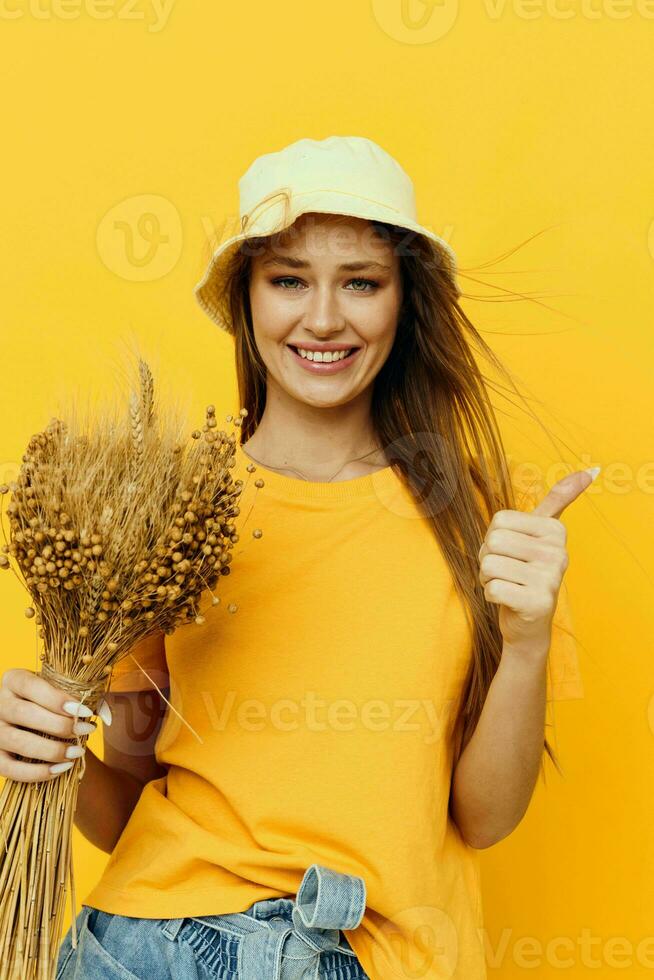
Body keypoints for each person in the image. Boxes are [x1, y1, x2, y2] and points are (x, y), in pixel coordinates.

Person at [0, 136, 587, 980]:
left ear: (403, 301)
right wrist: (43, 749)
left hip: (375, 952)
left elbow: (485, 816)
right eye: (287, 280)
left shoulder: (486, 523)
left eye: (360, 281)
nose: (322, 318)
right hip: (151, 947)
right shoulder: (169, 514)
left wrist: (526, 639)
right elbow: (123, 809)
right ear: (245, 300)